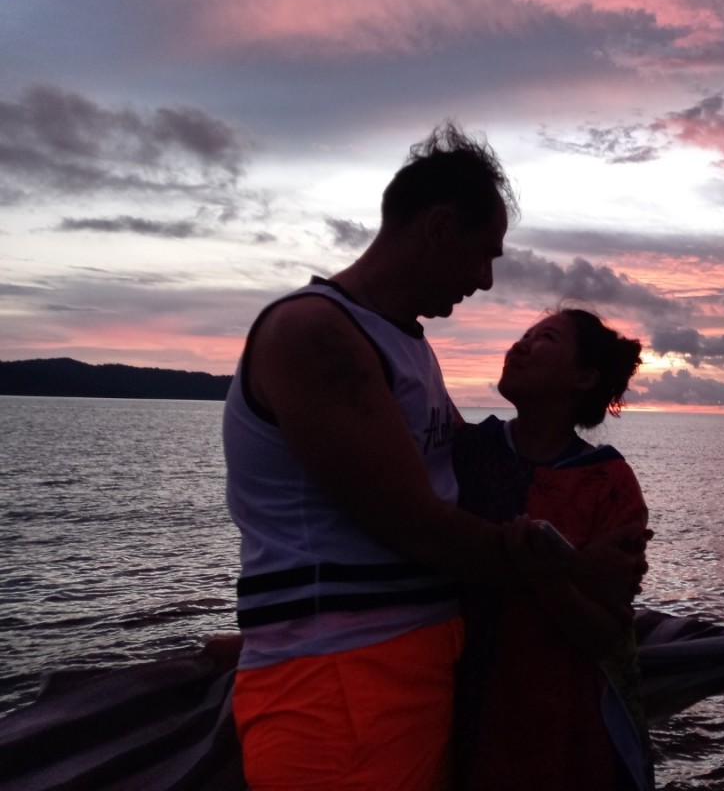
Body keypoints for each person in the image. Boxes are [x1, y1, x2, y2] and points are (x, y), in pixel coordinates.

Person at [222, 124, 641, 791]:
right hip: (342, 686)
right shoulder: (318, 334)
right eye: (484, 255)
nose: (485, 279)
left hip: (412, 675)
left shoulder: (404, 347)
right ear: (439, 227)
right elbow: (416, 525)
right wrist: (570, 567)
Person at [452, 308, 653, 791]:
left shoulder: (609, 482)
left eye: (545, 338)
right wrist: (572, 568)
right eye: (523, 335)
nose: (520, 346)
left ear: (583, 377)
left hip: (557, 718)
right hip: (451, 697)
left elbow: (607, 633)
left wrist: (549, 579)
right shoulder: (465, 448)